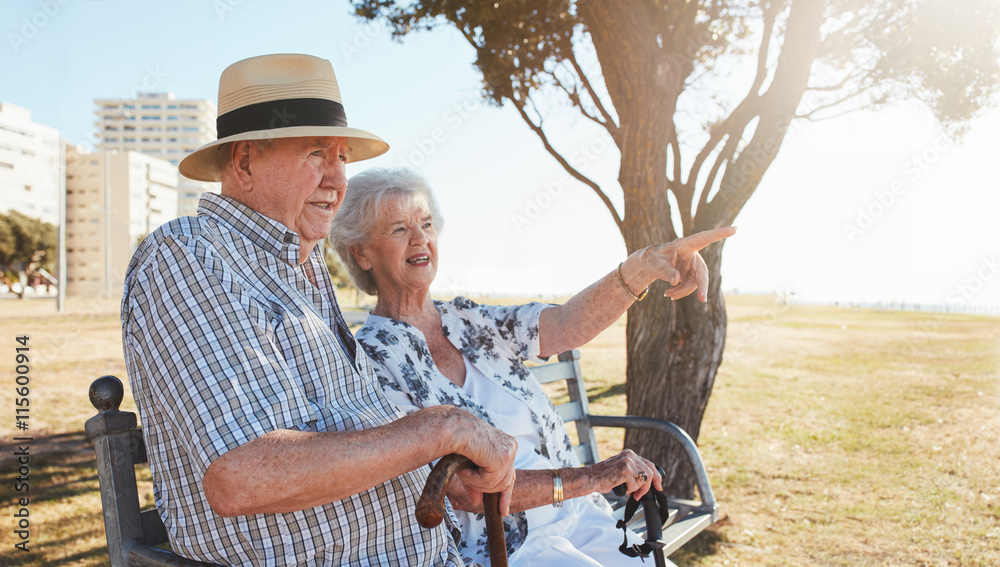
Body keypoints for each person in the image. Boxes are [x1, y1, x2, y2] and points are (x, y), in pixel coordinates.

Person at [121, 54, 518, 566]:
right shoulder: (190, 255)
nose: (338, 179)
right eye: (315, 153)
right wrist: (439, 428)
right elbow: (241, 475)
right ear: (243, 162)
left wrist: (434, 462)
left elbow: (343, 430)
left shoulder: (301, 270)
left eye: (343, 157)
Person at [331, 168, 736, 567]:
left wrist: (646, 264)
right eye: (399, 229)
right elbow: (463, 490)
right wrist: (592, 477)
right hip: (507, 545)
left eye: (426, 224)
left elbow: (564, 325)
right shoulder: (372, 361)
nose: (420, 239)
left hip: (579, 514)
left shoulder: (468, 318)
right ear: (361, 252)